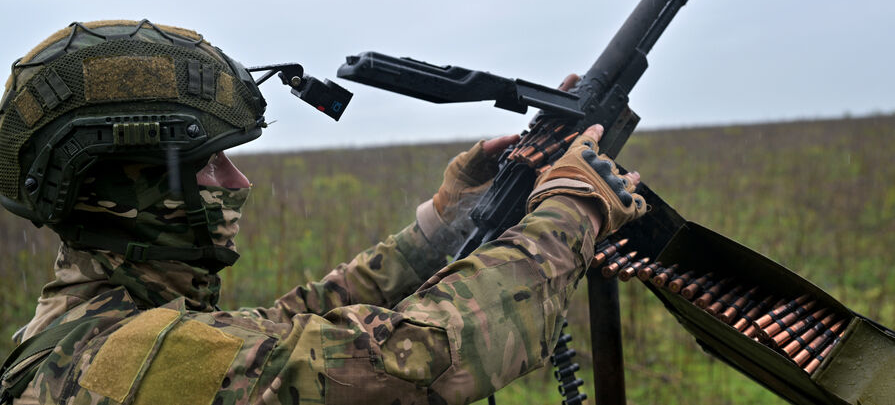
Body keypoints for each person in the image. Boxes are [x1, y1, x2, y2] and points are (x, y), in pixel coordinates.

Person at [0, 20, 646, 405]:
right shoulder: (134, 359)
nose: (238, 180)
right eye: (209, 162)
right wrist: (571, 210)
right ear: (128, 187)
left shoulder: (94, 315)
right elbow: (412, 359)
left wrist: (444, 218)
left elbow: (284, 321)